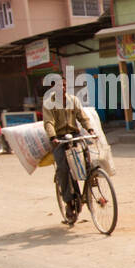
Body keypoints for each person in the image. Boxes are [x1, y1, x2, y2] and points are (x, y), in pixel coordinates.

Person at [43, 79, 94, 224]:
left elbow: (82, 117)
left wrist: (89, 129)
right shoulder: (49, 103)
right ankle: (68, 202)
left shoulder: (73, 100)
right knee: (64, 169)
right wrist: (52, 136)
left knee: (88, 161)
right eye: (59, 86)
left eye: (64, 85)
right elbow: (48, 122)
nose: (62, 88)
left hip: (74, 135)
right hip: (59, 139)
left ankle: (88, 189)